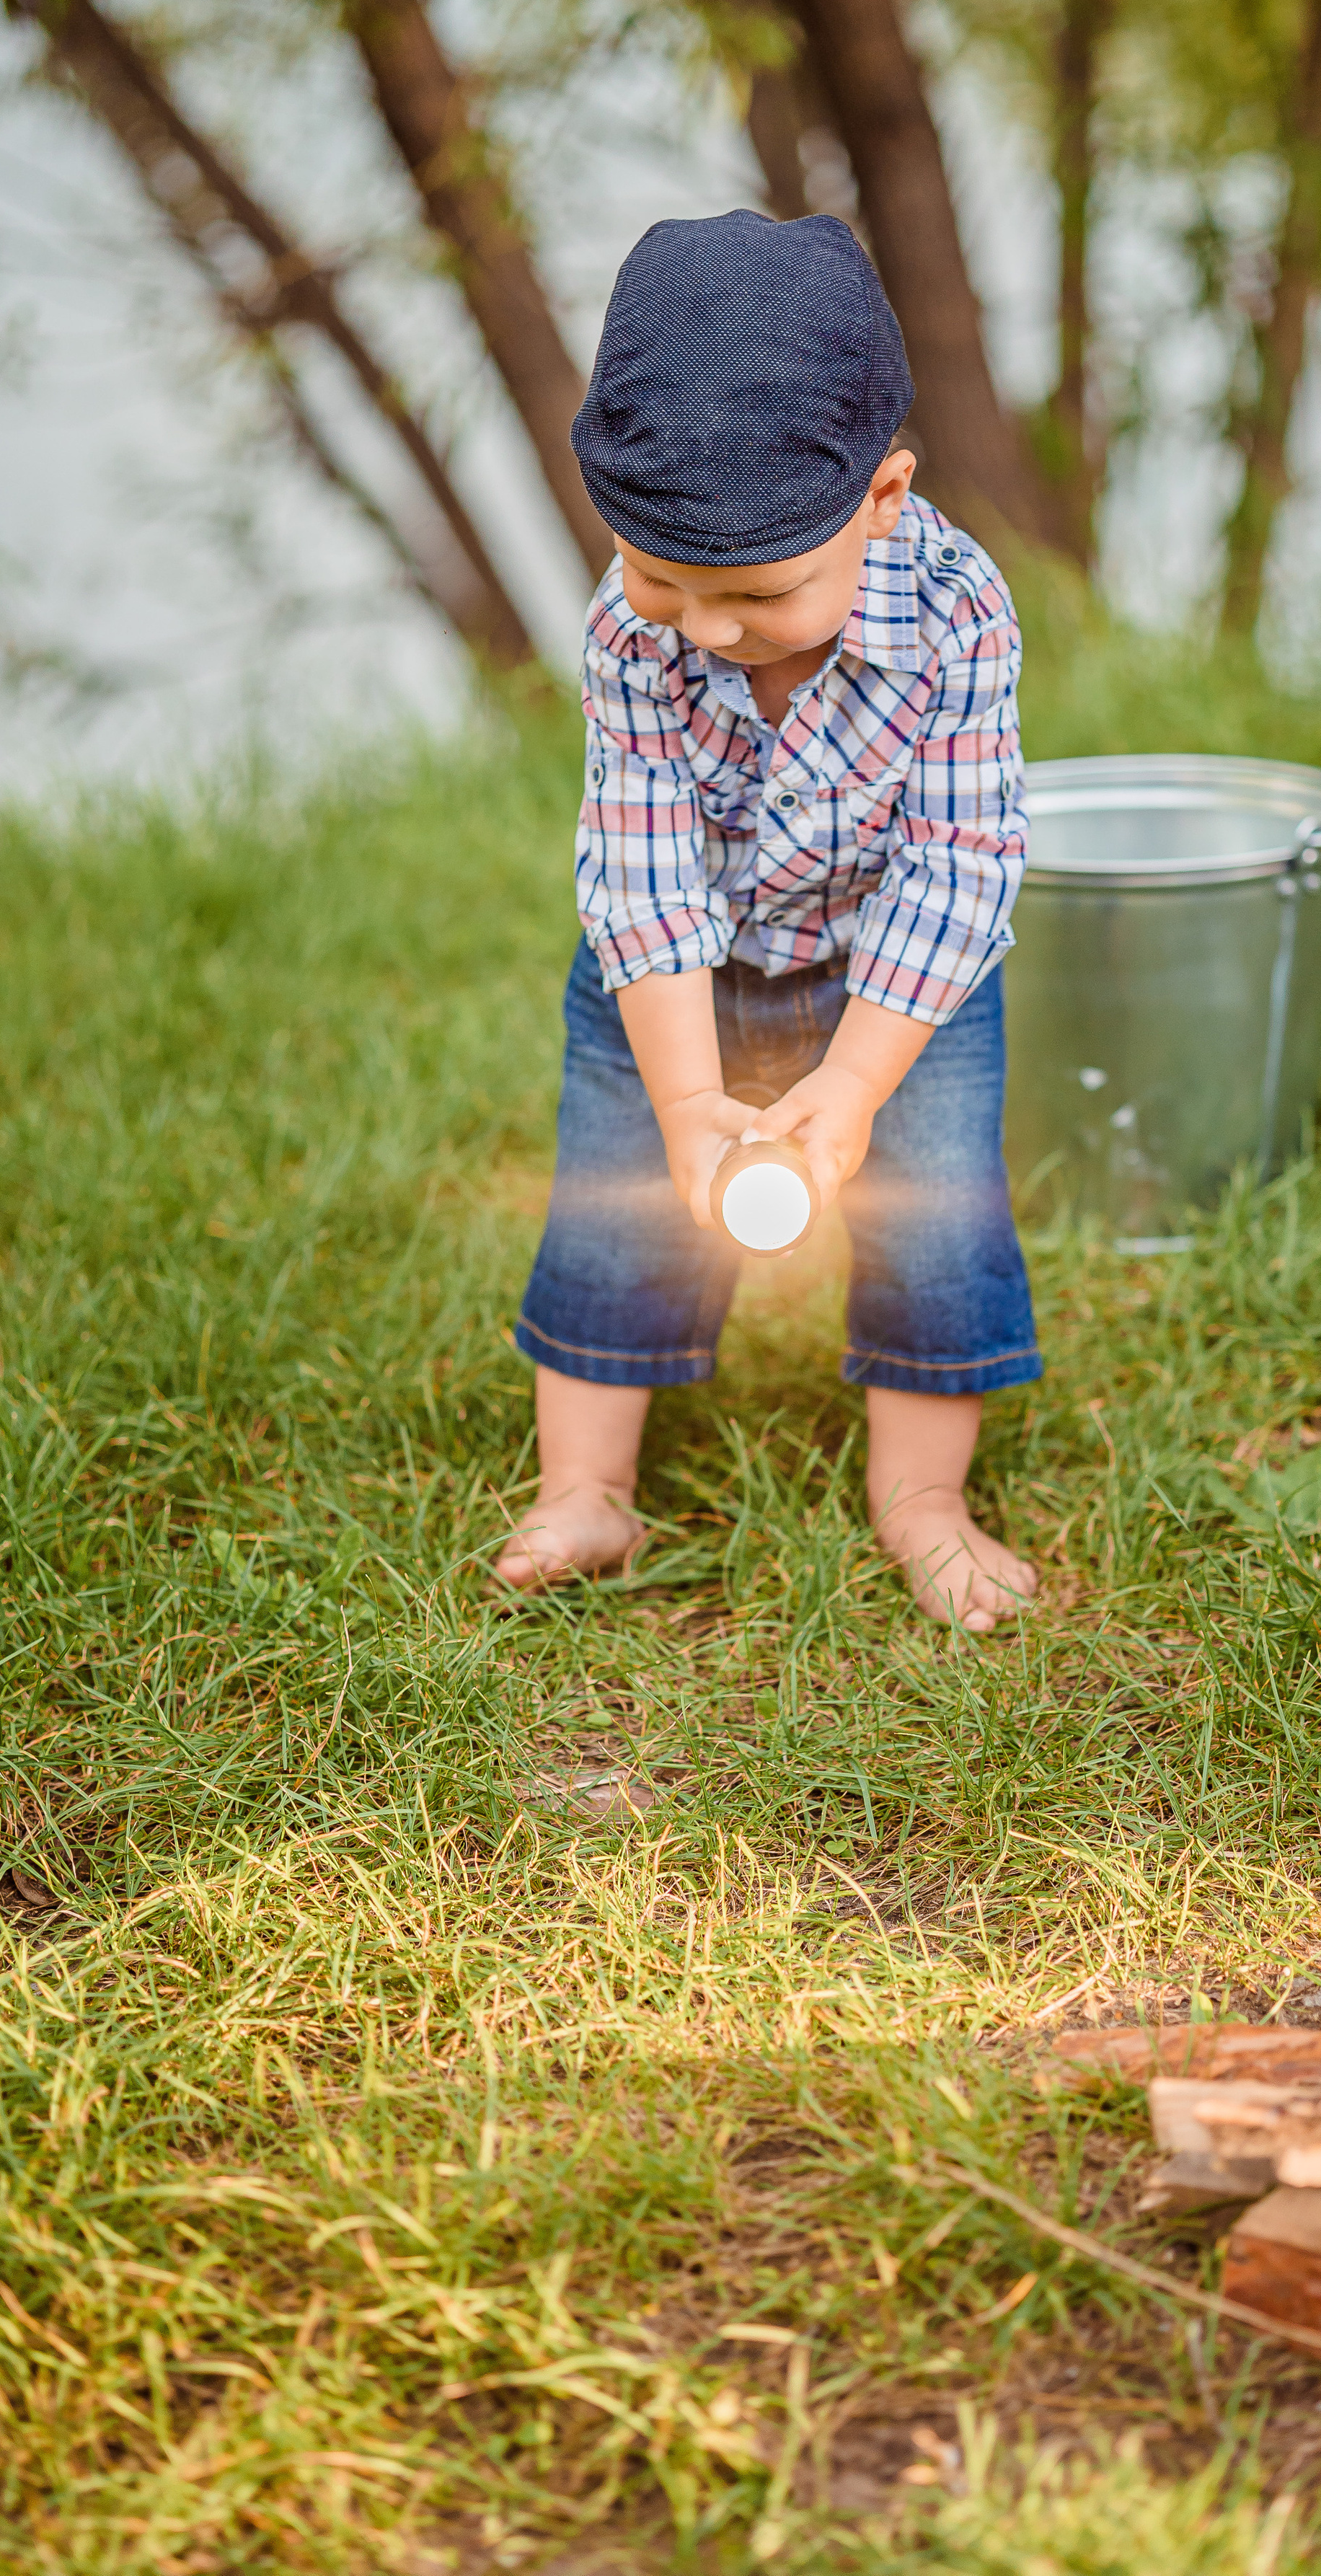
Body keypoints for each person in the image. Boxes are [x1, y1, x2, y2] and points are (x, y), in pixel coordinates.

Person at [496, 210, 1041, 1631]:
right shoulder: (631, 631)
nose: (704, 627)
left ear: (882, 499)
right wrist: (687, 1100)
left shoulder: (960, 618)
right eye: (661, 577)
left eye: (755, 593)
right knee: (613, 1205)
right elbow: (640, 867)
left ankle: (921, 1499)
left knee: (936, 1220)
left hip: (897, 980)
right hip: (675, 979)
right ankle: (586, 1488)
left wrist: (853, 1087)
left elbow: (959, 868)